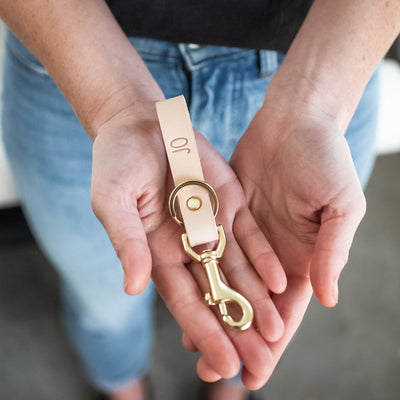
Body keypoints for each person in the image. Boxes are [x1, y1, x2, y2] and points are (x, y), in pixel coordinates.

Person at [0, 1, 399, 399]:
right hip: (74, 60)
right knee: (103, 302)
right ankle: (120, 383)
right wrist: (116, 106)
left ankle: (231, 381)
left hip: (325, 61)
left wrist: (316, 106)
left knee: (266, 301)